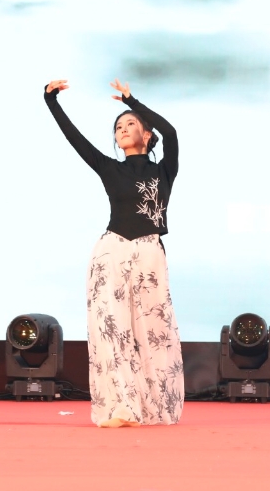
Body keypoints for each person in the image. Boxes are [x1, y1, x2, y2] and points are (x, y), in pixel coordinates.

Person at [44, 77, 184, 427]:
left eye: (130, 124)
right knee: (113, 330)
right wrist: (52, 103)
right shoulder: (110, 168)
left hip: (149, 253)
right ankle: (122, 405)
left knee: (151, 331)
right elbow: (76, 140)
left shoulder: (164, 170)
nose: (122, 129)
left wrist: (132, 102)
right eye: (118, 127)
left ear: (146, 135)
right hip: (112, 251)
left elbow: (171, 132)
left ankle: (151, 404)